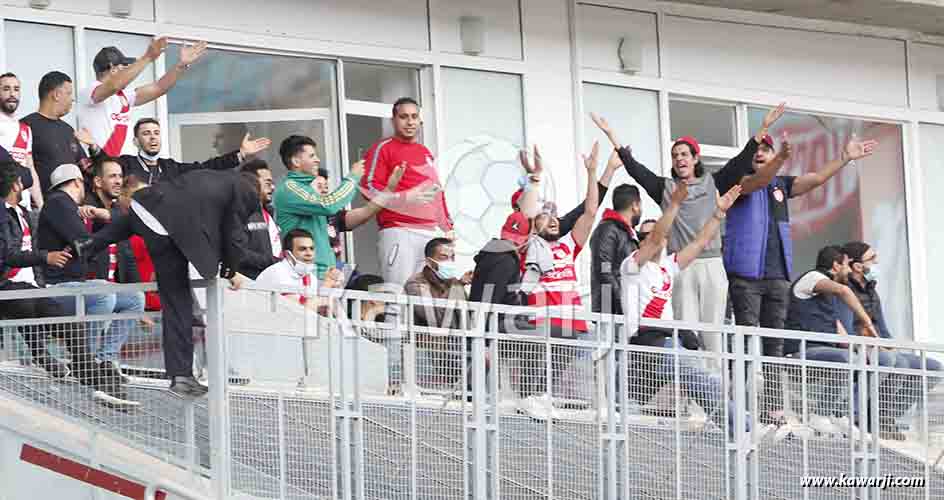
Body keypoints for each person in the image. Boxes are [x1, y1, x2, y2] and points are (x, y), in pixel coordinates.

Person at [592, 105, 788, 362]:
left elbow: (743, 158)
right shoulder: (665, 187)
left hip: (712, 263)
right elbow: (635, 169)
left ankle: (716, 389)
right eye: (675, 155)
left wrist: (763, 127)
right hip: (679, 266)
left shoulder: (714, 181)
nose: (679, 159)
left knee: (713, 333)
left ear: (695, 158)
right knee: (688, 332)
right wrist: (612, 136)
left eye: (684, 154)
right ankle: (693, 394)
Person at [71, 169, 258, 398]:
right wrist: (230, 270)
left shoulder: (213, 178)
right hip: (166, 230)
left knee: (134, 222)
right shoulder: (245, 190)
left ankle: (87, 245)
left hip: (146, 207)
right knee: (178, 304)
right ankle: (181, 376)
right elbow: (235, 235)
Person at [620, 182, 743, 430]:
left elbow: (698, 244)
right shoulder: (631, 266)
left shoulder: (666, 266)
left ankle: (735, 429)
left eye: (653, 235)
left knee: (701, 384)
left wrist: (718, 214)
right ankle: (744, 427)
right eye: (643, 237)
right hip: (646, 342)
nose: (648, 240)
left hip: (666, 342)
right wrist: (674, 204)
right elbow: (656, 239)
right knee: (703, 379)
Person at [515, 143, 602, 419]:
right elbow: (527, 211)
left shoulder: (568, 246)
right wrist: (536, 178)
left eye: (554, 216)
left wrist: (591, 173)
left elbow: (590, 212)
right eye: (544, 217)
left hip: (570, 324)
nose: (551, 220)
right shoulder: (529, 246)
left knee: (550, 385)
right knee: (533, 384)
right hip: (541, 324)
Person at [782, 245, 904, 438]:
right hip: (800, 351)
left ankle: (843, 413)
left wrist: (870, 349)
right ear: (836, 266)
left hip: (825, 352)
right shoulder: (812, 277)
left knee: (871, 360)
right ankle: (820, 415)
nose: (848, 270)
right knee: (850, 359)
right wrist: (868, 325)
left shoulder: (827, 294)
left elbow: (842, 335)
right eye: (846, 265)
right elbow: (845, 292)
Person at [841, 241, 942, 439]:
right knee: (896, 362)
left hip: (880, 346)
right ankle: (867, 417)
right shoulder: (844, 290)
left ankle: (887, 415)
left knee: (932, 367)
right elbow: (847, 328)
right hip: (862, 347)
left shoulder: (871, 290)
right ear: (857, 266)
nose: (877, 262)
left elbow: (883, 329)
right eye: (872, 259)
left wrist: (891, 344)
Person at [361, 97, 453, 287]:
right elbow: (369, 188)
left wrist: (447, 226)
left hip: (431, 234)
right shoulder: (383, 148)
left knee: (427, 298)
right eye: (403, 117)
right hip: (399, 230)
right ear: (393, 120)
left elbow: (437, 191)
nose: (410, 122)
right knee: (398, 294)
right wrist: (405, 198)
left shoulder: (425, 152)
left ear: (420, 120)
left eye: (414, 116)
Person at [79, 38, 208, 156]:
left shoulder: (123, 96)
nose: (129, 71)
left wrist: (181, 65)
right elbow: (114, 85)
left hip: (121, 168)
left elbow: (159, 88)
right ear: (113, 69)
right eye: (125, 67)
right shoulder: (89, 92)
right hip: (98, 168)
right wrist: (147, 57)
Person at [82, 155, 147, 375]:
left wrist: (140, 290)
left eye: (120, 176)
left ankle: (104, 359)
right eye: (112, 176)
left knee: (137, 299)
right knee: (103, 294)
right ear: (98, 182)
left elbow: (127, 257)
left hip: (109, 288)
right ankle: (85, 360)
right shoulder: (84, 209)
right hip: (85, 286)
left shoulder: (119, 214)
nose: (118, 181)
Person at [273, 135, 364, 279]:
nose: (318, 160)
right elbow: (328, 205)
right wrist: (352, 178)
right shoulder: (289, 188)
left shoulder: (306, 188)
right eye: (312, 155)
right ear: (296, 161)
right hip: (306, 274)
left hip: (323, 273)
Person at [403, 237, 472, 389]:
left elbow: (466, 319)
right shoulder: (415, 283)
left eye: (452, 257)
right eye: (443, 257)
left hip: (456, 354)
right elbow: (435, 318)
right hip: (426, 357)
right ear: (429, 262)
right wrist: (457, 286)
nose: (449, 261)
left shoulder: (453, 282)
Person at [117, 118, 271, 185]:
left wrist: (240, 154)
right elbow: (103, 167)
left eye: (156, 133)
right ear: (135, 141)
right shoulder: (126, 163)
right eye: (146, 133)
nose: (152, 138)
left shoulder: (170, 167)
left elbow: (205, 167)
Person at [21, 71, 90, 193]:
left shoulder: (68, 130)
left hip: (74, 206)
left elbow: (87, 168)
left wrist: (93, 146)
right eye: (69, 93)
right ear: (57, 95)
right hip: (43, 206)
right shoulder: (26, 126)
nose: (72, 99)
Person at [255, 229, 344, 308]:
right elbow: (299, 311)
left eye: (312, 249)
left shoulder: (310, 277)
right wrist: (327, 285)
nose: (309, 253)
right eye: (302, 249)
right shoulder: (277, 272)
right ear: (288, 255)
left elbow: (319, 308)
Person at [345, 274, 402, 395]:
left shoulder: (382, 328)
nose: (387, 301)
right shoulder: (348, 325)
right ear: (374, 299)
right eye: (384, 294)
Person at [590, 184, 642, 316]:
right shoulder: (608, 230)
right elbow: (604, 269)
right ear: (635, 205)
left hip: (625, 310)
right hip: (611, 312)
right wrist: (623, 301)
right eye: (640, 205)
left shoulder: (627, 231)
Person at [0, 72, 43, 209]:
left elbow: (30, 168)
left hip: (23, 207)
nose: (12, 94)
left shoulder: (25, 129)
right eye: (6, 89)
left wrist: (41, 205)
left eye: (16, 89)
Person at [238, 161, 281, 280]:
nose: (273, 187)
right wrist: (275, 262)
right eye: (268, 183)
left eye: (272, 183)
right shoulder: (240, 213)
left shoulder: (270, 213)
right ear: (251, 184)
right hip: (251, 287)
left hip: (274, 283)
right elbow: (238, 253)